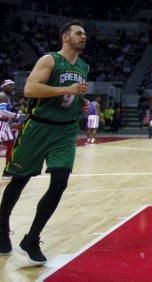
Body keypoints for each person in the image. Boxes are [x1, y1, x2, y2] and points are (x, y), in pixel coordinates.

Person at [0, 21, 90, 265]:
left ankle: (32, 238)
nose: (83, 37)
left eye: (84, 34)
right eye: (78, 33)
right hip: (39, 127)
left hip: (65, 132)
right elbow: (30, 89)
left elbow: (71, 92)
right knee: (20, 179)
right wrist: (66, 90)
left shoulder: (84, 66)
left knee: (59, 183)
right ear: (65, 37)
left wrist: (79, 102)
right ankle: (1, 224)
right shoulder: (49, 60)